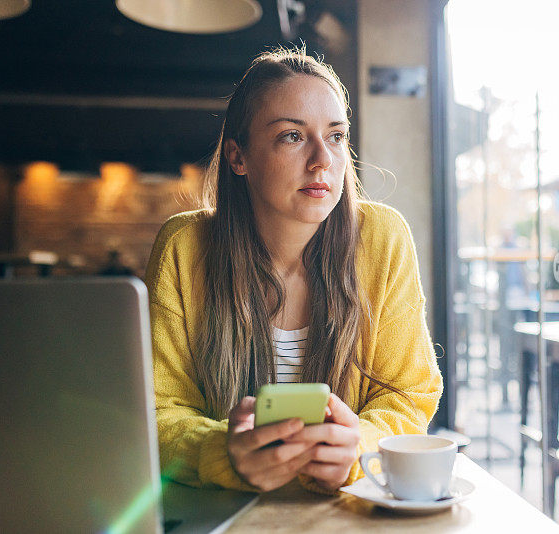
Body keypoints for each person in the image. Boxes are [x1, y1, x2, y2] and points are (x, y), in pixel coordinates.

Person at [145, 46, 443, 495]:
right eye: (292, 136)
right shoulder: (184, 248)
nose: (323, 159)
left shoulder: (383, 238)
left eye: (337, 136)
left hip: (346, 509)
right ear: (237, 157)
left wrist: (360, 446)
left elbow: (408, 392)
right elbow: (155, 408)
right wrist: (222, 452)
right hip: (223, 507)